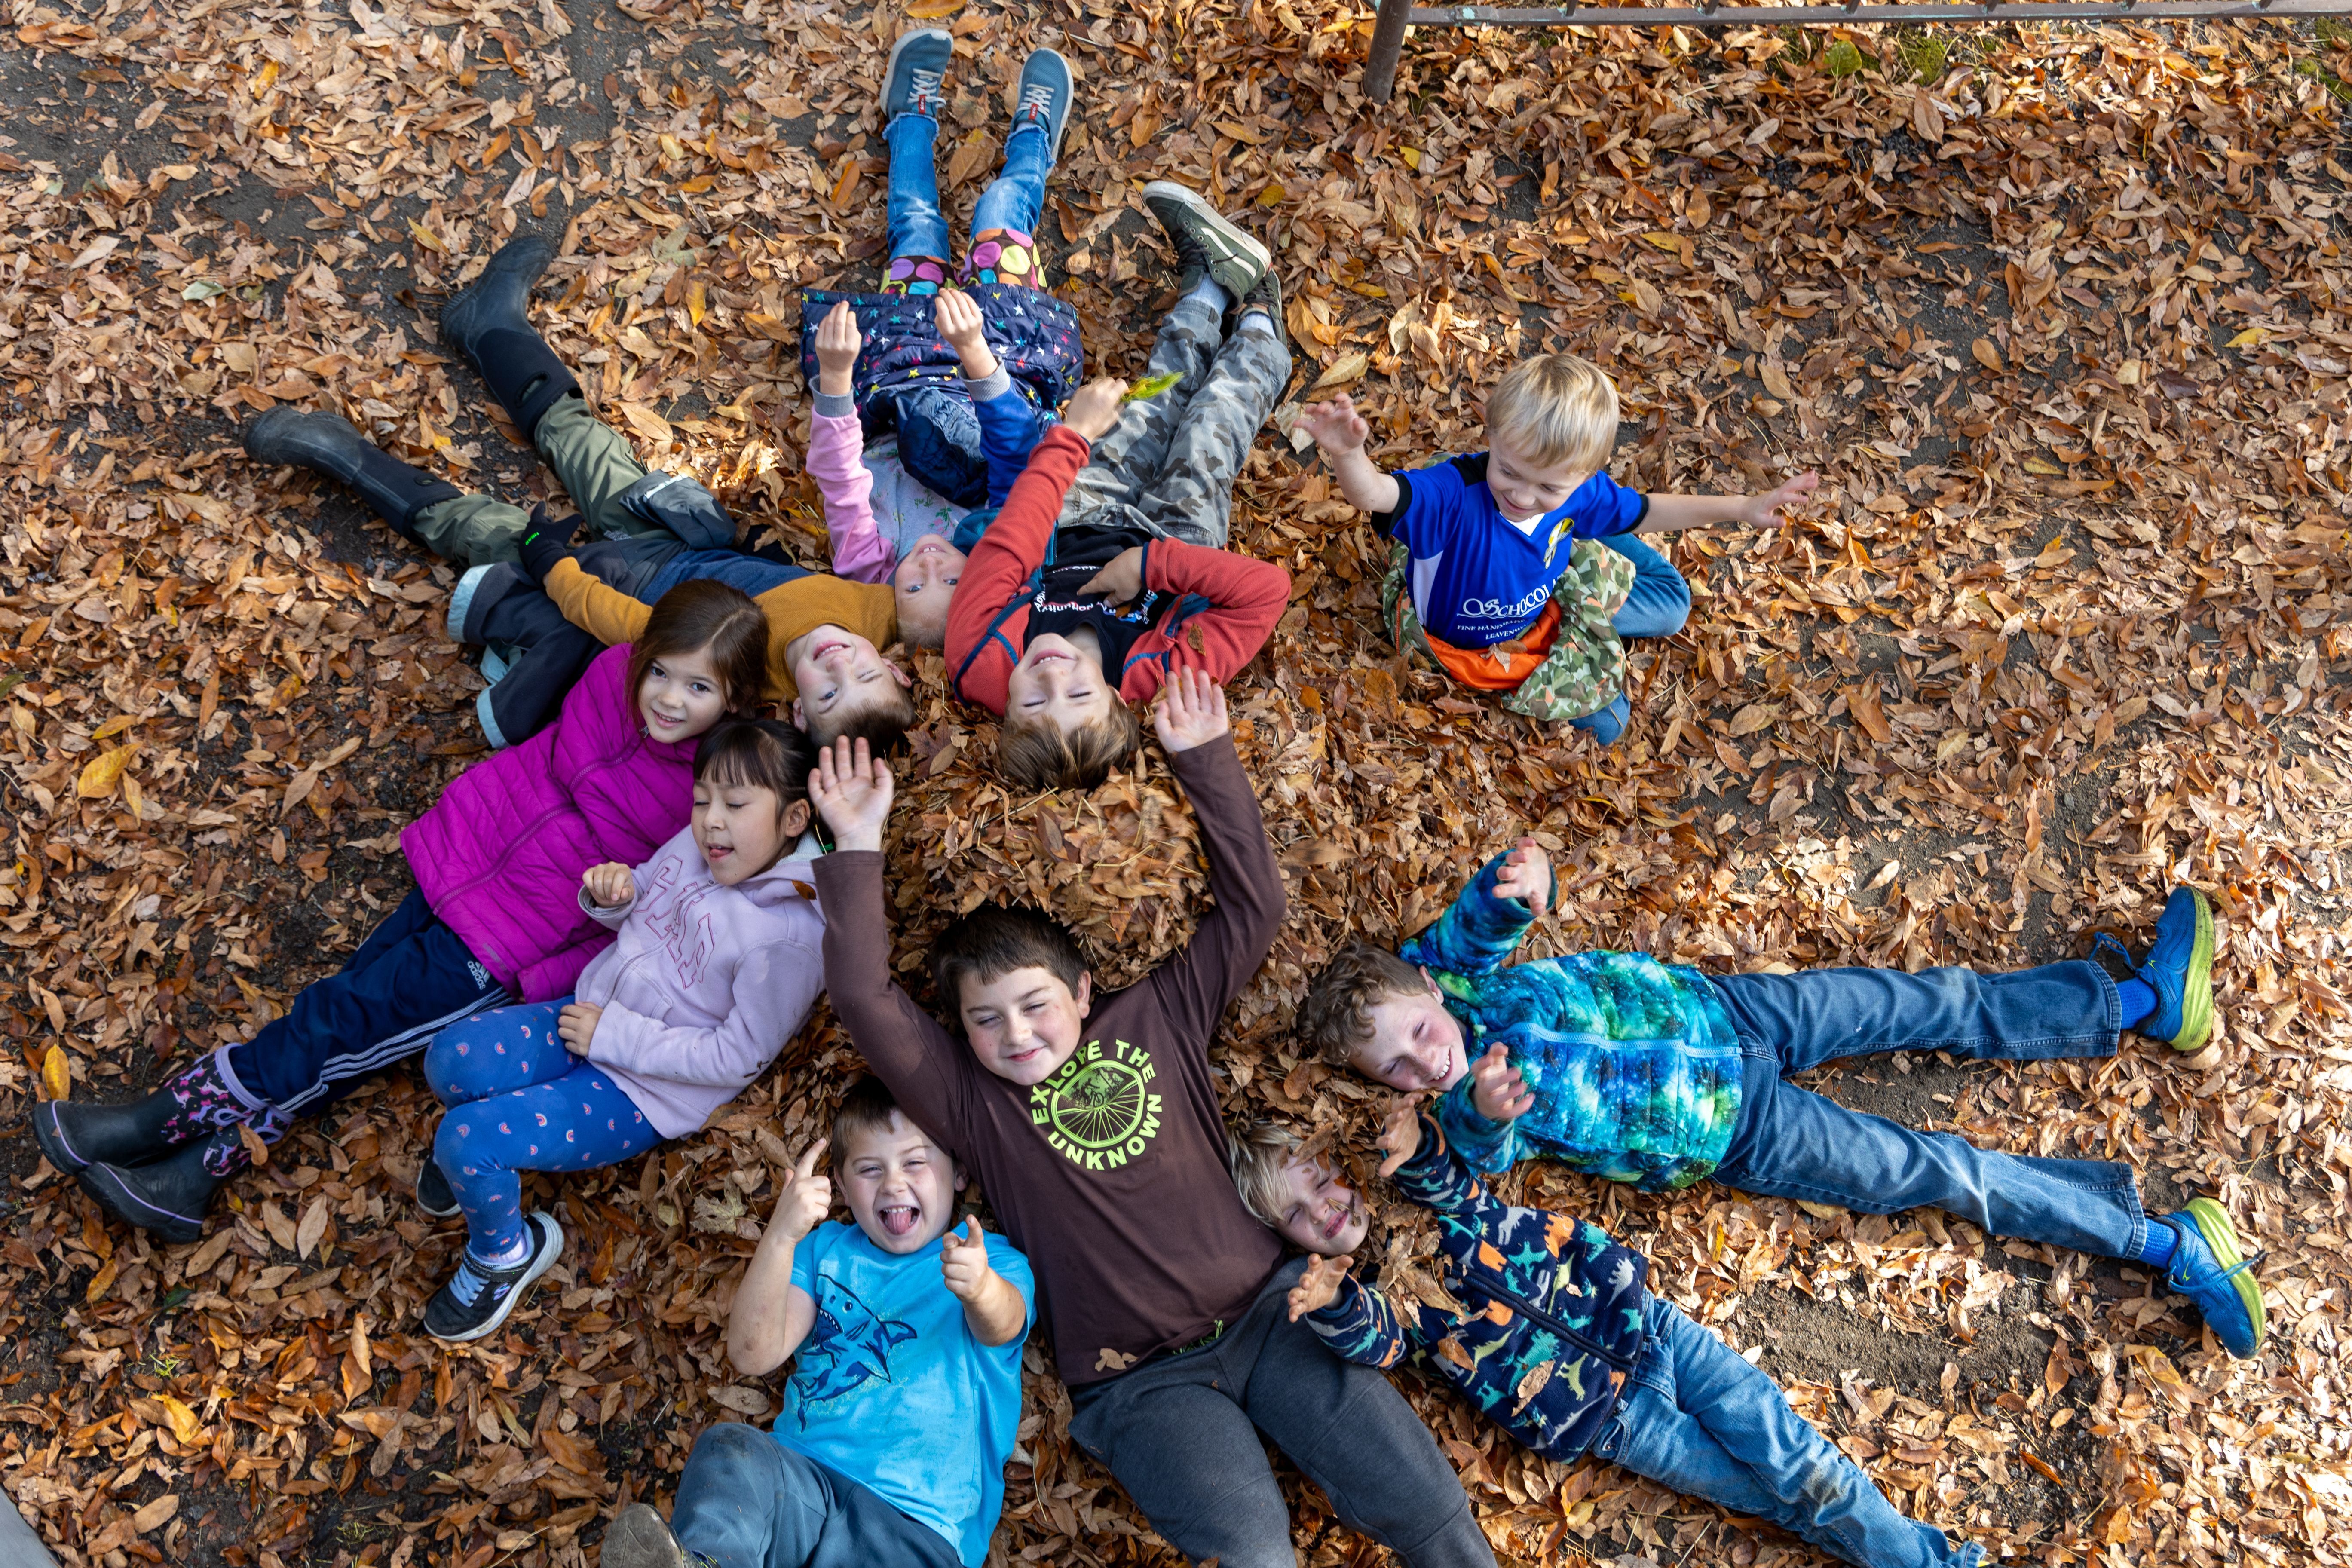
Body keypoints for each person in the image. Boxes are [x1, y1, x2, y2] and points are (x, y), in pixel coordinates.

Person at [804, 672, 1498, 1568]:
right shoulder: (972, 1106)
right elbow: (864, 994)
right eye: (986, 1019)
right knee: (1255, 1552)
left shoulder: (1158, 1014)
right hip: (1140, 1385)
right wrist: (851, 840)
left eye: (1035, 1005)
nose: (1016, 1034)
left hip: (1271, 1312)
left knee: (1426, 1500)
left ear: (1085, 992)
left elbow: (1258, 910)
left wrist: (1204, 759)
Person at [1297, 839, 2266, 1357]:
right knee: (1938, 1170)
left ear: (1424, 991)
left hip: (1736, 1011)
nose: (1425, 1063)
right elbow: (1482, 1154)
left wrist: (1532, 882)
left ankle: (2143, 1000)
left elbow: (1488, 915)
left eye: (1419, 1035)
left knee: (1934, 1002)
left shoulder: (1446, 973)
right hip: (1737, 1130)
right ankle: (2172, 1245)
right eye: (1398, 1070)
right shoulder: (1455, 1112)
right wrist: (1481, 1112)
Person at [29, 582, 771, 1241]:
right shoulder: (613, 674)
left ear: (734, 700)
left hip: (506, 940)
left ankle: (162, 1118)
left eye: (698, 687)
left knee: (339, 1020)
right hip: (464, 857)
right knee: (347, 1016)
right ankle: (192, 1175)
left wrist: (535, 977)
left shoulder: (709, 791)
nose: (669, 698)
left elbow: (658, 910)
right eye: (663, 671)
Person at [1229, 1112, 1981, 1568]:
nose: (1326, 1210)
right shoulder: (1381, 1298)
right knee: (1780, 1498)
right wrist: (1331, 1300)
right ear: (1291, 1242)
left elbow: (1437, 1171)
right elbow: (1378, 1341)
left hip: (1654, 1333)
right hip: (1614, 1421)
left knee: (1799, 1461)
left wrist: (1408, 1138)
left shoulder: (1439, 1203)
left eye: (1325, 1181)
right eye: (1301, 1214)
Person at [244, 233, 790, 746]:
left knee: (485, 531)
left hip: (613, 610)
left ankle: (346, 455)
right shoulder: (871, 609)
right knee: (583, 439)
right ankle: (490, 327)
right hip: (682, 545)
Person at [414, 719, 826, 1342]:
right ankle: (475, 1172)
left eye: (736, 805)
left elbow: (739, 1057)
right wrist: (617, 897)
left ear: (793, 820)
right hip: (591, 1014)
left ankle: (506, 1254)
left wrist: (616, 1038)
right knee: (450, 1057)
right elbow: (647, 913)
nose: (711, 820)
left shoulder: (790, 936)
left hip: (641, 1089)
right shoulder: (700, 848)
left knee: (467, 1141)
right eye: (702, 799)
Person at [941, 184, 1294, 790]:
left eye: (1031, 703)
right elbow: (1266, 591)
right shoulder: (1159, 678)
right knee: (1215, 421)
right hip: (1178, 540)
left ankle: (1210, 286)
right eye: (1079, 692)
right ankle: (1260, 317)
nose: (1052, 676)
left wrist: (1073, 438)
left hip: (1079, 513)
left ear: (1004, 713)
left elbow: (1010, 544)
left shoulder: (977, 662)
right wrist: (1150, 565)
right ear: (1112, 694)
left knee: (1153, 399)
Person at [600, 1077, 1033, 1568]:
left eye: (915, 1162)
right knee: (731, 1447)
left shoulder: (989, 1258)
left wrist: (979, 1289)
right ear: (843, 1188)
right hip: (803, 1484)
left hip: (914, 1524)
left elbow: (1004, 1325)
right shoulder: (824, 1249)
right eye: (871, 1169)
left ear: (958, 1171)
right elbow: (751, 1353)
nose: (894, 1182)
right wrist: (783, 1235)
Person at [1295, 357, 1820, 742]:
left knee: (1673, 603)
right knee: (1611, 724)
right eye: (1509, 472)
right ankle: (1591, 531)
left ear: (1584, 477)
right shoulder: (1453, 497)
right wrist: (1349, 455)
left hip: (1548, 587)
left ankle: (1592, 526)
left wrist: (1743, 507)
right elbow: (1375, 494)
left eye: (1549, 490)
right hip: (1483, 641)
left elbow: (1651, 510)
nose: (1523, 497)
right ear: (1493, 437)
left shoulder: (1578, 490)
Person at [794, 28, 1083, 512]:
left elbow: (838, 480)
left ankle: (910, 118)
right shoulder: (1001, 545)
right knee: (1003, 212)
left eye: (916, 587)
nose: (931, 569)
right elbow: (1017, 461)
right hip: (1009, 351)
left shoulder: (872, 570)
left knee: (917, 227)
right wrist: (973, 349)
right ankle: (1033, 138)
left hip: (908, 358)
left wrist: (836, 376)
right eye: (950, 579)